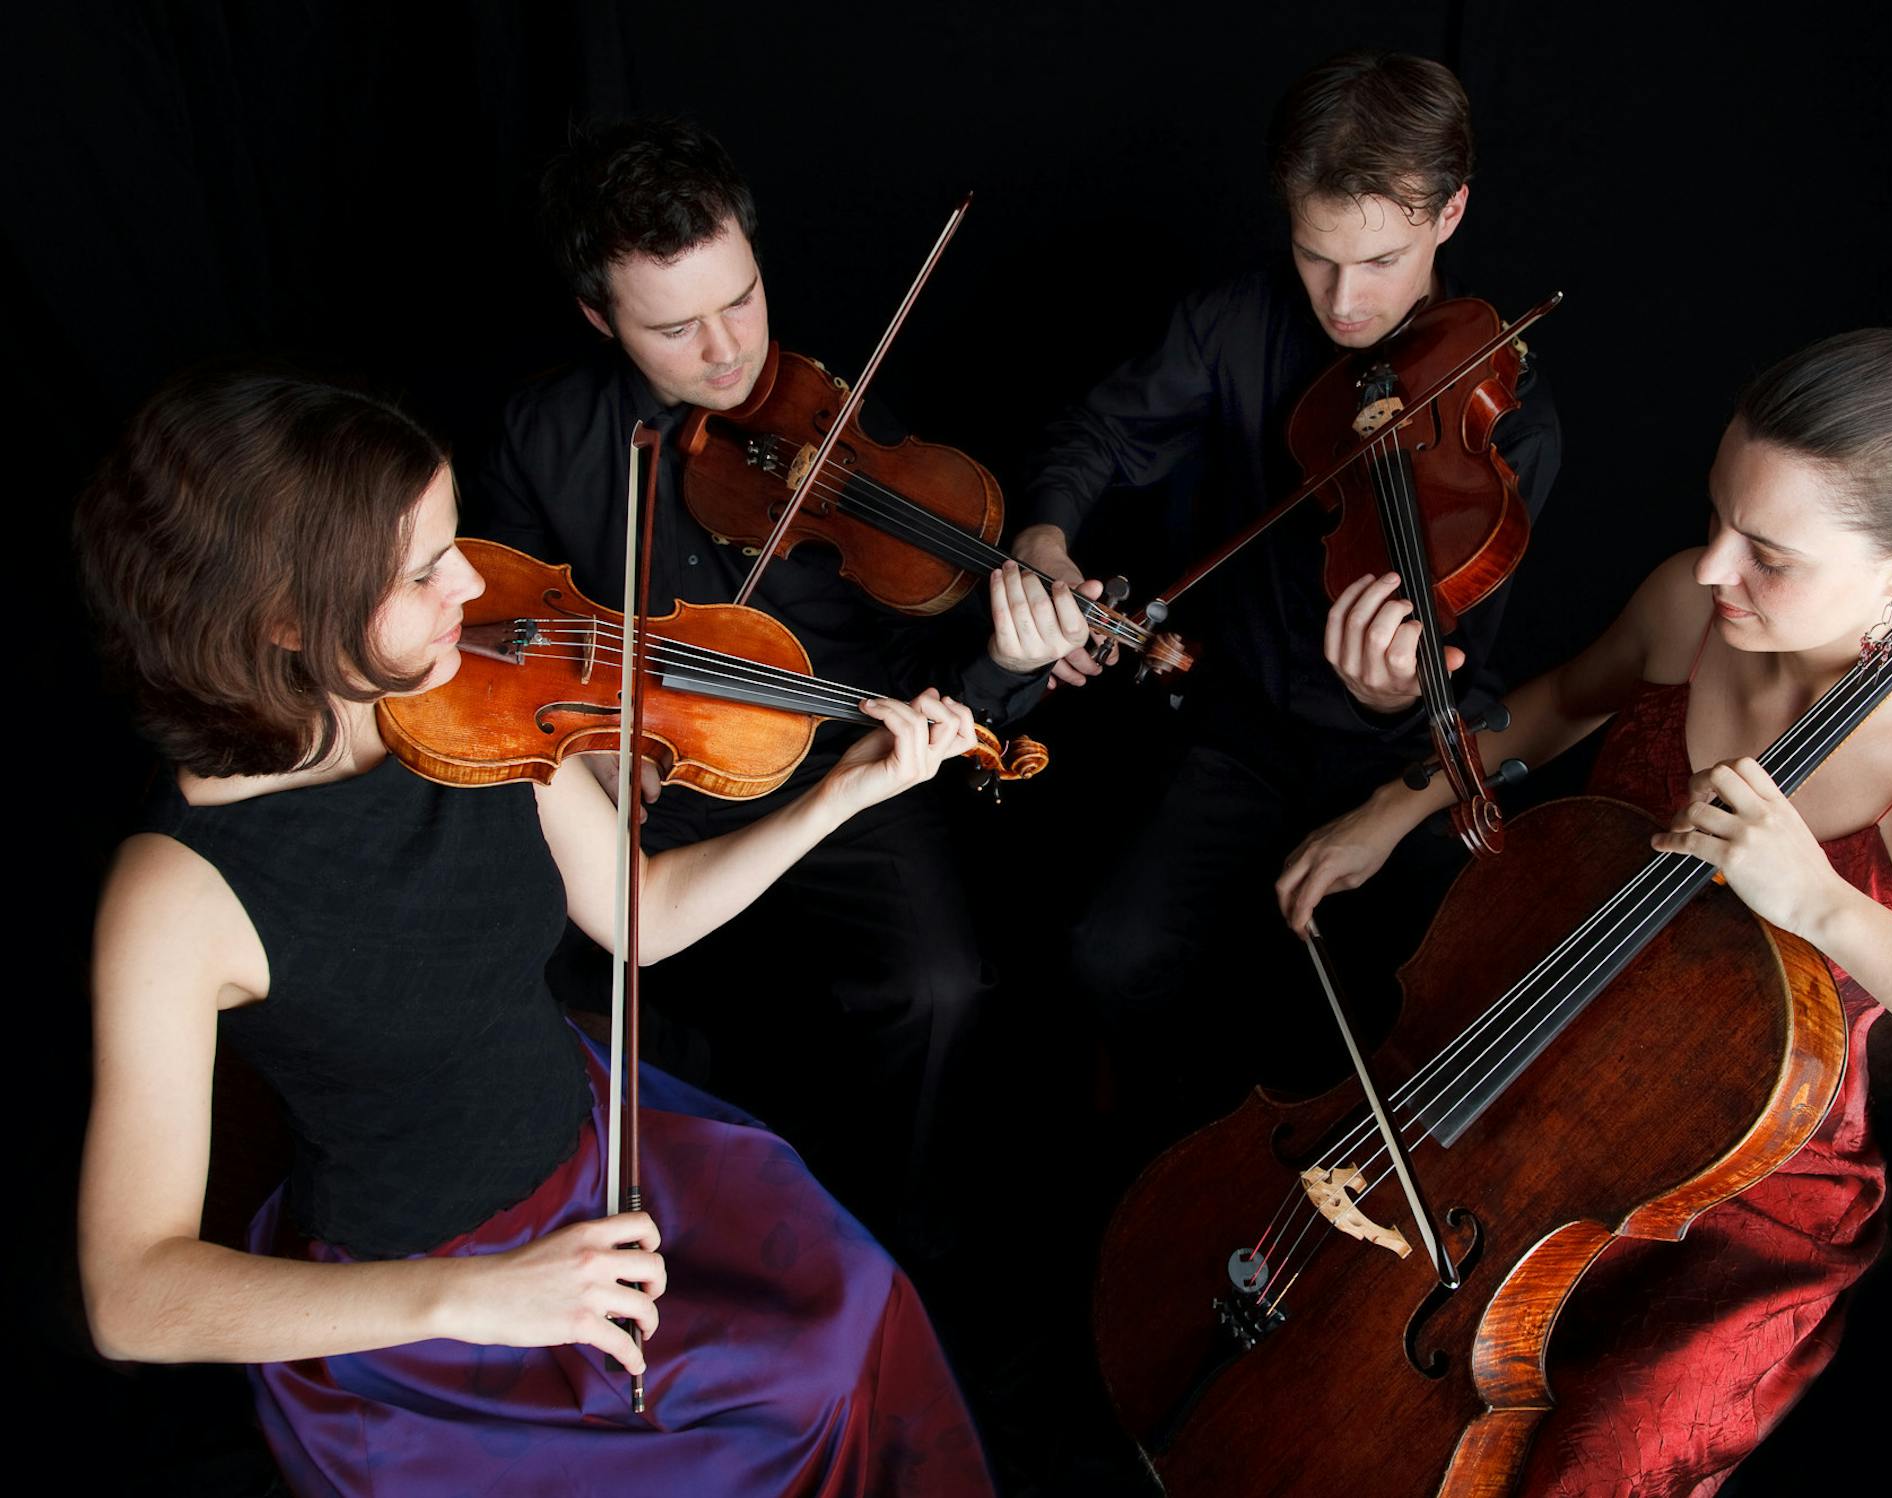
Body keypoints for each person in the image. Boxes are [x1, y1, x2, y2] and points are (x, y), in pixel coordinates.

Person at [74, 367, 997, 1497]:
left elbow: (641, 918)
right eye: (422, 571)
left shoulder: (474, 692)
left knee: (852, 1320)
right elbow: (131, 1297)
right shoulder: (175, 894)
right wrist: (487, 1295)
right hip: (430, 1306)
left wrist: (839, 795)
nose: (471, 579)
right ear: (280, 619)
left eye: (451, 541)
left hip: (605, 1152)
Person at [1278, 327, 1892, 1494]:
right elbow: (1555, 702)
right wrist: (1397, 804)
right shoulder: (1690, 615)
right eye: (1717, 517)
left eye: (1770, 553)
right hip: (1531, 1070)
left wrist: (1825, 908)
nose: (1709, 568)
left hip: (1732, 1205)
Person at [461, 117, 1091, 1235]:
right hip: (637, 782)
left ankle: (873, 1254)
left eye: (741, 298)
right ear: (598, 318)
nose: (727, 352)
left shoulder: (830, 413)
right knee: (553, 995)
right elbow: (508, 633)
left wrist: (1006, 659)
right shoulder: (541, 436)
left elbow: (923, 670)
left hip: (830, 766)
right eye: (673, 327)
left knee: (938, 987)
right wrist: (591, 746)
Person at [1014, 51, 1561, 1125]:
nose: (1346, 303)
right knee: (1110, 955)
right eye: (1316, 258)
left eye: (1382, 262)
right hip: (1239, 733)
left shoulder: (1509, 419)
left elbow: (1470, 678)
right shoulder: (1237, 320)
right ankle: (1168, 1160)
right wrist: (1044, 537)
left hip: (1400, 770)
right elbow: (1096, 433)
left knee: (1432, 1014)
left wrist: (1394, 696)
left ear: (1452, 210)